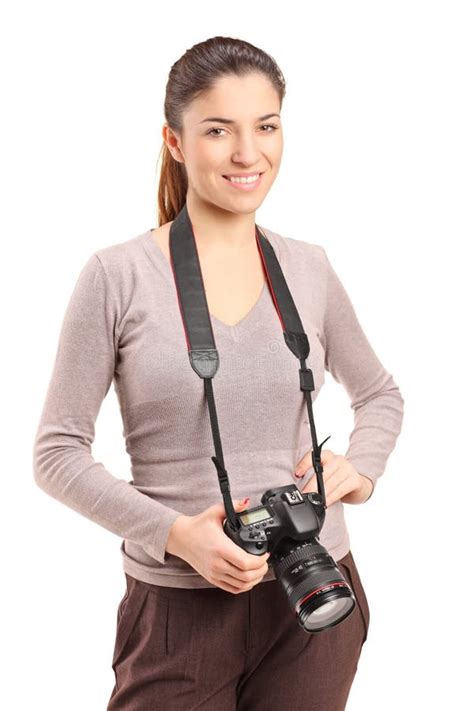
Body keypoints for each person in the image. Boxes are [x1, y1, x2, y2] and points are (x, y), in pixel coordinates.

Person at [33, 36, 404, 710]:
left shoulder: (309, 266)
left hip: (315, 592)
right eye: (217, 130)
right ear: (175, 142)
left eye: (265, 126)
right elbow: (56, 454)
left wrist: (360, 467)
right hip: (179, 607)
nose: (247, 153)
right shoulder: (116, 276)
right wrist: (177, 535)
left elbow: (380, 392)